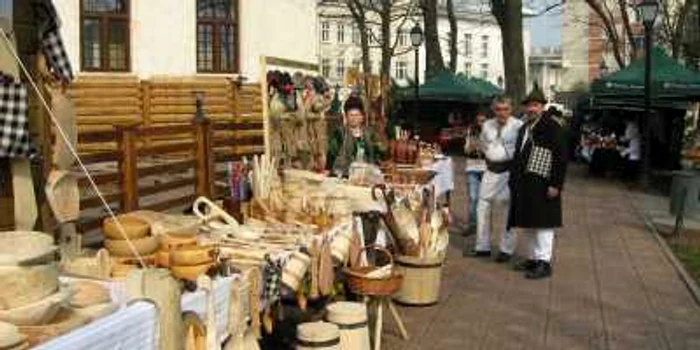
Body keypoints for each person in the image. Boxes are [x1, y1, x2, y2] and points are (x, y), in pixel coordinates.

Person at [508, 85, 568, 280]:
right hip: (526, 183)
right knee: (529, 222)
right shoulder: (525, 127)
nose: (531, 109)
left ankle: (544, 262)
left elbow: (561, 158)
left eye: (535, 105)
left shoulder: (552, 127)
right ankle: (533, 258)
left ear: (542, 106)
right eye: (529, 105)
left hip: (544, 184)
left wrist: (556, 184)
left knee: (543, 224)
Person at [468, 97, 523, 261]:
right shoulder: (487, 125)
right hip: (490, 171)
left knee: (508, 211)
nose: (502, 113)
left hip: (509, 172)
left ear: (511, 109)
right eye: (498, 109)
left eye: (505, 109)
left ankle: (506, 250)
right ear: (493, 110)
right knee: (482, 207)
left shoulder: (518, 126)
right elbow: (484, 145)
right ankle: (482, 246)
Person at [327, 96, 384, 177]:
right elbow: (331, 155)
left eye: (357, 115)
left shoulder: (369, 134)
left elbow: (377, 155)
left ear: (362, 117)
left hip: (365, 176)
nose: (354, 118)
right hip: (343, 176)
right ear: (346, 117)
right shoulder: (340, 134)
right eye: (351, 115)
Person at [464, 112, 487, 234]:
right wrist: (471, 147)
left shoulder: (491, 133)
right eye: (479, 120)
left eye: (483, 120)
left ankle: (483, 226)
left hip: (486, 168)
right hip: (472, 167)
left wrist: (483, 148)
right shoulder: (471, 131)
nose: (481, 123)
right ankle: (472, 225)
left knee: (484, 199)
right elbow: (465, 149)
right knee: (473, 198)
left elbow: (493, 150)